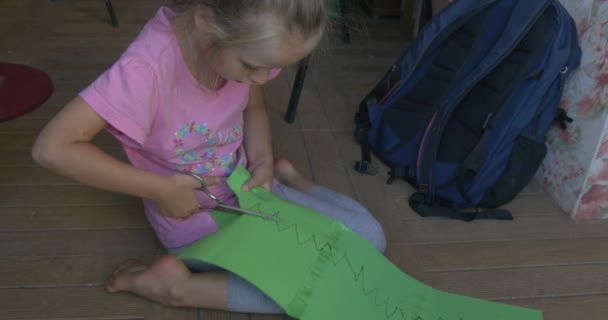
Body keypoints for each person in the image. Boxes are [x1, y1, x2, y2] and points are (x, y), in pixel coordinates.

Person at [32, 0, 386, 314]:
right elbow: (52, 148)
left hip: (252, 192)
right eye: (252, 66)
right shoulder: (146, 70)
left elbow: (253, 104)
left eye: (272, 68)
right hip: (196, 222)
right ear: (205, 20)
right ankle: (178, 288)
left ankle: (287, 177)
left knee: (371, 237)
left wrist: (261, 159)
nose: (262, 78)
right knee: (308, 286)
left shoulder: (242, 47)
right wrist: (162, 190)